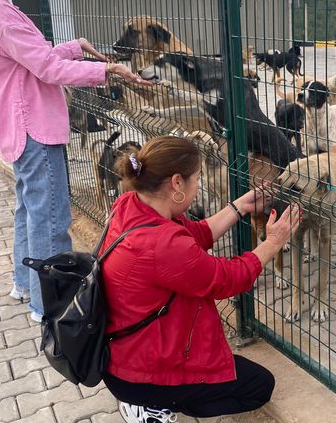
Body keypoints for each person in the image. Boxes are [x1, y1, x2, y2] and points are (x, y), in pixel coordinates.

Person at [0, 0, 150, 322]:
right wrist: (104, 70)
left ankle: (24, 284)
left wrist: (75, 47)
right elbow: (44, 66)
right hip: (32, 125)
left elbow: (31, 55)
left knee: (30, 209)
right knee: (53, 217)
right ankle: (49, 305)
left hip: (17, 124)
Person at [102, 136, 300, 423]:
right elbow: (229, 279)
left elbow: (194, 234)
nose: (199, 186)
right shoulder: (161, 244)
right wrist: (273, 242)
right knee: (258, 386)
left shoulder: (131, 204)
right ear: (177, 183)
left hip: (123, 352)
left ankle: (149, 396)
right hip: (140, 371)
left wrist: (239, 207)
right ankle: (152, 404)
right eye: (197, 179)